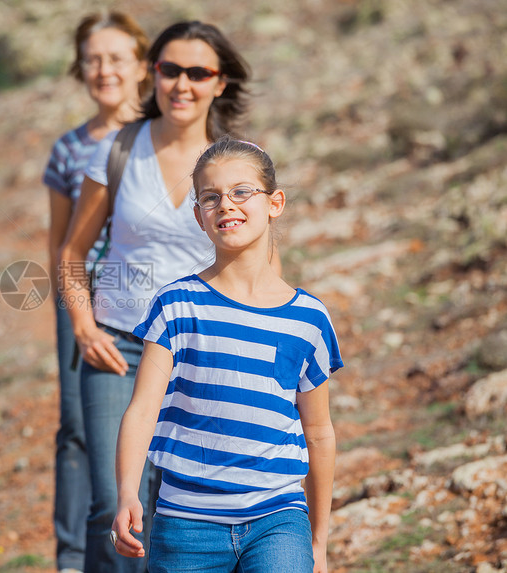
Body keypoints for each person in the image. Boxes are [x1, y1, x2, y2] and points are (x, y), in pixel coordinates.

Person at [58, 21, 257, 573]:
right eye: (171, 70)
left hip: (202, 357)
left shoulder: (239, 164)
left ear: (220, 82)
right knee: (112, 508)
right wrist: (83, 327)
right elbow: (72, 255)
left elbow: (259, 270)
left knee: (182, 515)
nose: (182, 84)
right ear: (153, 73)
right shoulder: (118, 149)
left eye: (199, 72)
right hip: (117, 353)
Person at [112, 136, 343, 573]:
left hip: (278, 519)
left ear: (275, 203)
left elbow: (319, 432)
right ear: (199, 216)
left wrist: (319, 540)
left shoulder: (310, 319)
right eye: (211, 197)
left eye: (242, 192)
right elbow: (142, 411)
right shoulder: (176, 304)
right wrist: (127, 492)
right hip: (184, 526)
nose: (226, 205)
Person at [42, 12, 150, 573]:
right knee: (79, 430)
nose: (103, 70)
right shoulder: (68, 149)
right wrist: (75, 319)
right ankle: (71, 556)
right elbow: (61, 244)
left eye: (114, 58)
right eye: (92, 59)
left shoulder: (165, 135)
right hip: (84, 301)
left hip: (150, 301)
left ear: (140, 64)